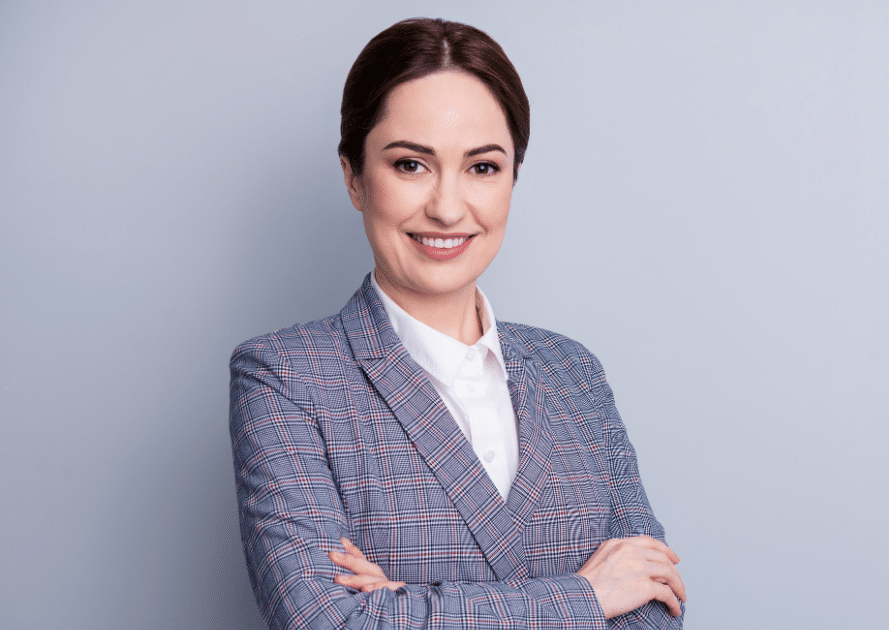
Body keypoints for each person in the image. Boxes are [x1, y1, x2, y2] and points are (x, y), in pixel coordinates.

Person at [229, 18, 685, 629]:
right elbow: (330, 623)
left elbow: (656, 606)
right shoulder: (285, 377)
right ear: (354, 178)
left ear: (514, 178)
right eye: (411, 165)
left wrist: (403, 604)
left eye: (482, 167)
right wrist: (587, 595)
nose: (447, 208)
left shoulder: (572, 372)